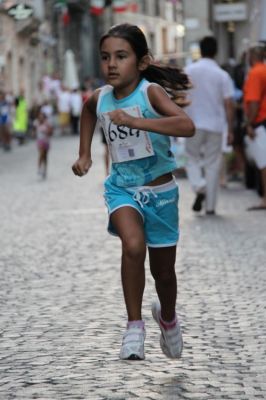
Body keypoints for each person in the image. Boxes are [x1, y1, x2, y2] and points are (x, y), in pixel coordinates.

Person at [72, 23, 195, 361]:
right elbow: (87, 110)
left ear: (141, 62)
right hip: (122, 188)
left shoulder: (150, 92)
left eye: (121, 57)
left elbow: (186, 126)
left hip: (161, 193)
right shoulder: (100, 97)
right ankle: (134, 326)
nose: (111, 64)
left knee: (164, 274)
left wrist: (138, 121)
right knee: (133, 244)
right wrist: (84, 154)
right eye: (105, 57)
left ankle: (167, 319)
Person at [184, 36, 234, 215]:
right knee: (213, 164)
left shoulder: (188, 70)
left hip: (193, 123)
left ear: (201, 50)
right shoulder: (222, 75)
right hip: (216, 124)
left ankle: (199, 185)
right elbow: (229, 104)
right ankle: (211, 207)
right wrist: (231, 128)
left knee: (191, 158)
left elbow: (181, 98)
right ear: (216, 51)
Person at [243, 45, 266, 210]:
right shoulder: (263, 70)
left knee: (263, 163)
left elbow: (254, 101)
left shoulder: (255, 73)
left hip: (260, 122)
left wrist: (249, 123)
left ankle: (265, 199)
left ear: (251, 57)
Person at [34, 109, 53, 179]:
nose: (40, 117)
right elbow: (34, 132)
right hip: (40, 141)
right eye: (39, 116)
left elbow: (51, 133)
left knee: (45, 157)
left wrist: (48, 132)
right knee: (41, 154)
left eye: (42, 116)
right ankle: (39, 168)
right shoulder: (36, 123)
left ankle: (44, 170)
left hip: (46, 141)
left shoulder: (47, 123)